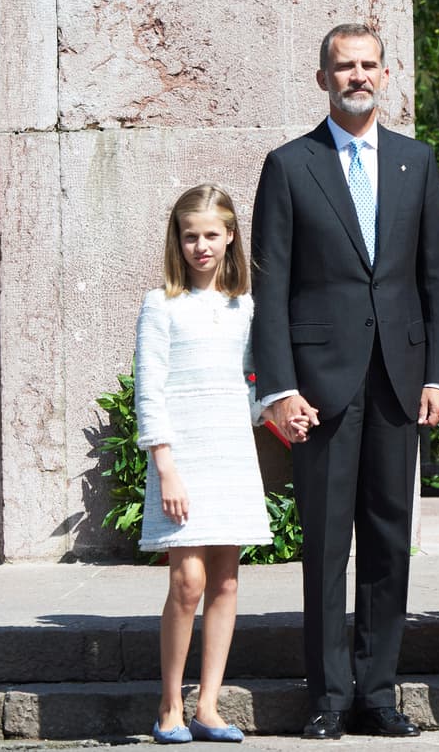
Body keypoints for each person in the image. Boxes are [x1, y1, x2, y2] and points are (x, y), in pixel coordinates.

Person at [250, 23, 439, 740]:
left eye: (369, 65)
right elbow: (270, 287)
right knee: (327, 545)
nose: (357, 76)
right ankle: (330, 697)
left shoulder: (416, 162)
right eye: (344, 66)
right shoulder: (289, 166)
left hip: (400, 383)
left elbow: (438, 278)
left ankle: (378, 691)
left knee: (389, 539)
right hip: (320, 389)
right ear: (322, 77)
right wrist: (277, 388)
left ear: (386, 73)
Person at [135, 185, 300, 744]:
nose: (200, 246)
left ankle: (208, 706)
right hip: (183, 457)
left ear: (230, 236)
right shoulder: (160, 305)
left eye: (210, 234)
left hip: (230, 452)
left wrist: (283, 415)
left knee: (225, 580)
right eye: (190, 236)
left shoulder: (245, 308)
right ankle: (168, 706)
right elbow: (149, 391)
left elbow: (254, 389)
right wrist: (166, 467)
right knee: (188, 580)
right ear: (176, 241)